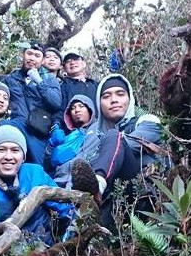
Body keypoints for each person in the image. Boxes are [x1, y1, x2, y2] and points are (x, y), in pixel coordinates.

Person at [71, 74, 167, 223]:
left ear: (130, 99)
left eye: (120, 94)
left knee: (114, 137)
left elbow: (133, 143)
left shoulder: (146, 120)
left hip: (145, 196)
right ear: (99, 103)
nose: (114, 100)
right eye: (106, 96)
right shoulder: (96, 138)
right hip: (114, 206)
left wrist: (106, 147)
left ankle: (96, 186)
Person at [0, 125, 74, 245]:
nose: (8, 157)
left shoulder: (35, 173)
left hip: (42, 246)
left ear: (23, 157)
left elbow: (65, 210)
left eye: (15, 150)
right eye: (1, 150)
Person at [4, 42, 62, 164]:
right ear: (23, 55)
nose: (32, 58)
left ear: (42, 60)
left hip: (38, 133)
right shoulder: (11, 78)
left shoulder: (49, 79)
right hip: (17, 128)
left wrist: (39, 81)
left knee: (36, 169)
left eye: (37, 55)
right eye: (29, 53)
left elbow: (56, 103)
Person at [47, 95, 97, 186]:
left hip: (83, 183)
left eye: (81, 106)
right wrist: (51, 145)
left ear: (90, 109)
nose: (77, 110)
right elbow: (49, 166)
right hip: (58, 182)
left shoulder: (98, 129)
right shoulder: (67, 137)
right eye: (73, 108)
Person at [60, 50, 98, 117]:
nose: (72, 63)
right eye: (68, 61)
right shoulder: (63, 86)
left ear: (84, 64)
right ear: (64, 68)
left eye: (76, 59)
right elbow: (61, 109)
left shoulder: (96, 84)